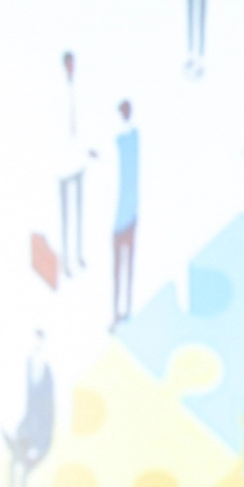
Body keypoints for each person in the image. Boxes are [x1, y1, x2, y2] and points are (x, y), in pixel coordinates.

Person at [2, 329, 54, 487]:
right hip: (25, 433)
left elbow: (48, 415)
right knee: (12, 464)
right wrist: (17, 429)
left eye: (38, 342)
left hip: (40, 441)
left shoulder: (47, 373)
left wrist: (39, 447)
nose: (34, 346)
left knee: (23, 473)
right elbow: (27, 406)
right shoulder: (26, 365)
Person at [56, 52, 96, 277]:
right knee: (65, 217)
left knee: (79, 213)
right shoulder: (58, 91)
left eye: (74, 64)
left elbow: (82, 123)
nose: (72, 67)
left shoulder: (79, 89)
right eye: (69, 65)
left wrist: (87, 149)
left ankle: (78, 254)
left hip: (78, 161)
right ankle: (65, 260)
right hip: (63, 163)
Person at [111, 100, 138, 330]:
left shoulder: (123, 141)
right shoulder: (131, 138)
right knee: (123, 268)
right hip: (127, 214)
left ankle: (122, 312)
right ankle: (121, 311)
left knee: (120, 268)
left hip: (124, 217)